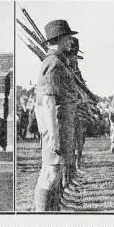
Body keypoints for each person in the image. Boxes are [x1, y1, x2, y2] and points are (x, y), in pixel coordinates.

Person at [33, 19, 80, 210]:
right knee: (50, 174)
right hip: (56, 128)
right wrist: (53, 137)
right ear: (59, 39)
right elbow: (48, 102)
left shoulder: (59, 62)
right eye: (69, 37)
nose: (71, 41)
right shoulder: (53, 63)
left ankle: (51, 214)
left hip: (62, 126)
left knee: (56, 173)